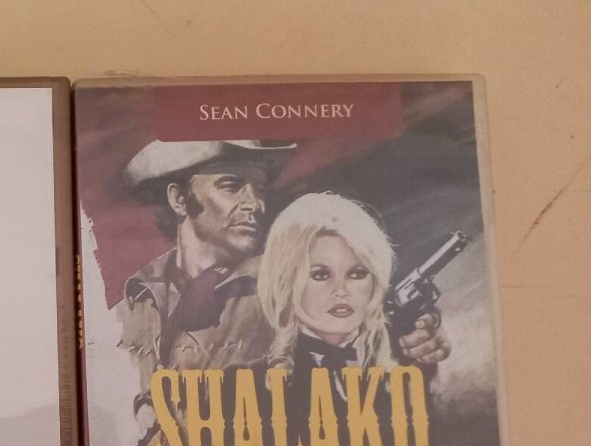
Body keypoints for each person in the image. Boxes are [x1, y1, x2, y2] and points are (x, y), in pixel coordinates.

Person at [114, 140, 449, 393]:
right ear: (179, 199)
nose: (254, 203)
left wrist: (413, 340)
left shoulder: (296, 280)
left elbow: (372, 330)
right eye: (231, 185)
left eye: (259, 189)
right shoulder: (136, 301)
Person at [256, 192, 427, 446]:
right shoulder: (249, 388)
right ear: (286, 282)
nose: (341, 291)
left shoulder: (407, 376)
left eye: (357, 274)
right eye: (320, 275)